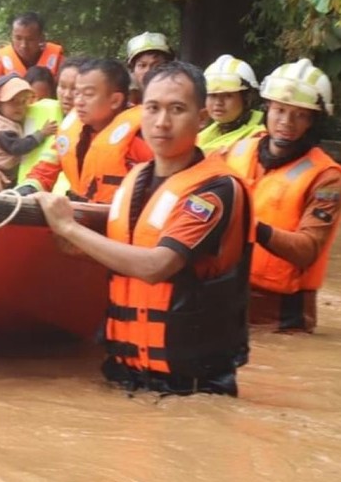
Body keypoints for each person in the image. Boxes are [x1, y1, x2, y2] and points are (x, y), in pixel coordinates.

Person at [38, 62, 252, 396]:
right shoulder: (135, 178)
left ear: (201, 118)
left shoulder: (215, 189)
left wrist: (69, 228)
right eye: (153, 108)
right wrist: (75, 245)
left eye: (177, 109)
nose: (162, 122)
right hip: (125, 373)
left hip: (189, 388)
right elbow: (122, 251)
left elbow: (155, 267)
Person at [219, 59, 341, 333]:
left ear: (313, 121)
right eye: (279, 110)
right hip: (227, 296)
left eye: (300, 114)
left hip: (282, 313)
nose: (286, 123)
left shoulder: (327, 177)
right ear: (267, 108)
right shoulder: (237, 151)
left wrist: (251, 227)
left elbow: (307, 250)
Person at [19, 59, 150, 204]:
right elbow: (45, 171)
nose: (78, 102)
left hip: (115, 220)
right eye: (78, 93)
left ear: (115, 100)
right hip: (77, 214)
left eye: (88, 94)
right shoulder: (71, 130)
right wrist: (28, 188)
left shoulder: (140, 138)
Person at [0, 12, 65, 130]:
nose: (23, 45)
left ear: (41, 38)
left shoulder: (60, 65)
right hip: (9, 137)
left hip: (50, 131)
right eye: (18, 38)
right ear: (12, 36)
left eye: (30, 39)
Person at [0, 75, 58, 192]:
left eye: (23, 101)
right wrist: (41, 133)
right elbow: (18, 147)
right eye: (13, 101)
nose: (20, 107)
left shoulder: (11, 119)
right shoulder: (1, 129)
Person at [197, 55, 265, 153]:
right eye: (213, 95)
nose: (218, 102)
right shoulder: (204, 134)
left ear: (247, 98)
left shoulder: (260, 136)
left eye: (227, 95)